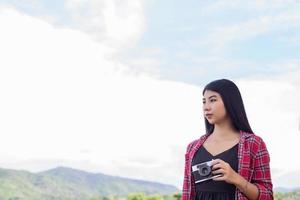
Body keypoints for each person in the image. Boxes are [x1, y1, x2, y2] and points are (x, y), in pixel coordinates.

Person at [182, 79, 273, 200]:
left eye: (213, 100)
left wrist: (236, 179)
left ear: (230, 102)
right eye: (204, 102)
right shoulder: (192, 147)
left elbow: (267, 195)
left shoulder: (253, 144)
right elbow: (187, 193)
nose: (206, 107)